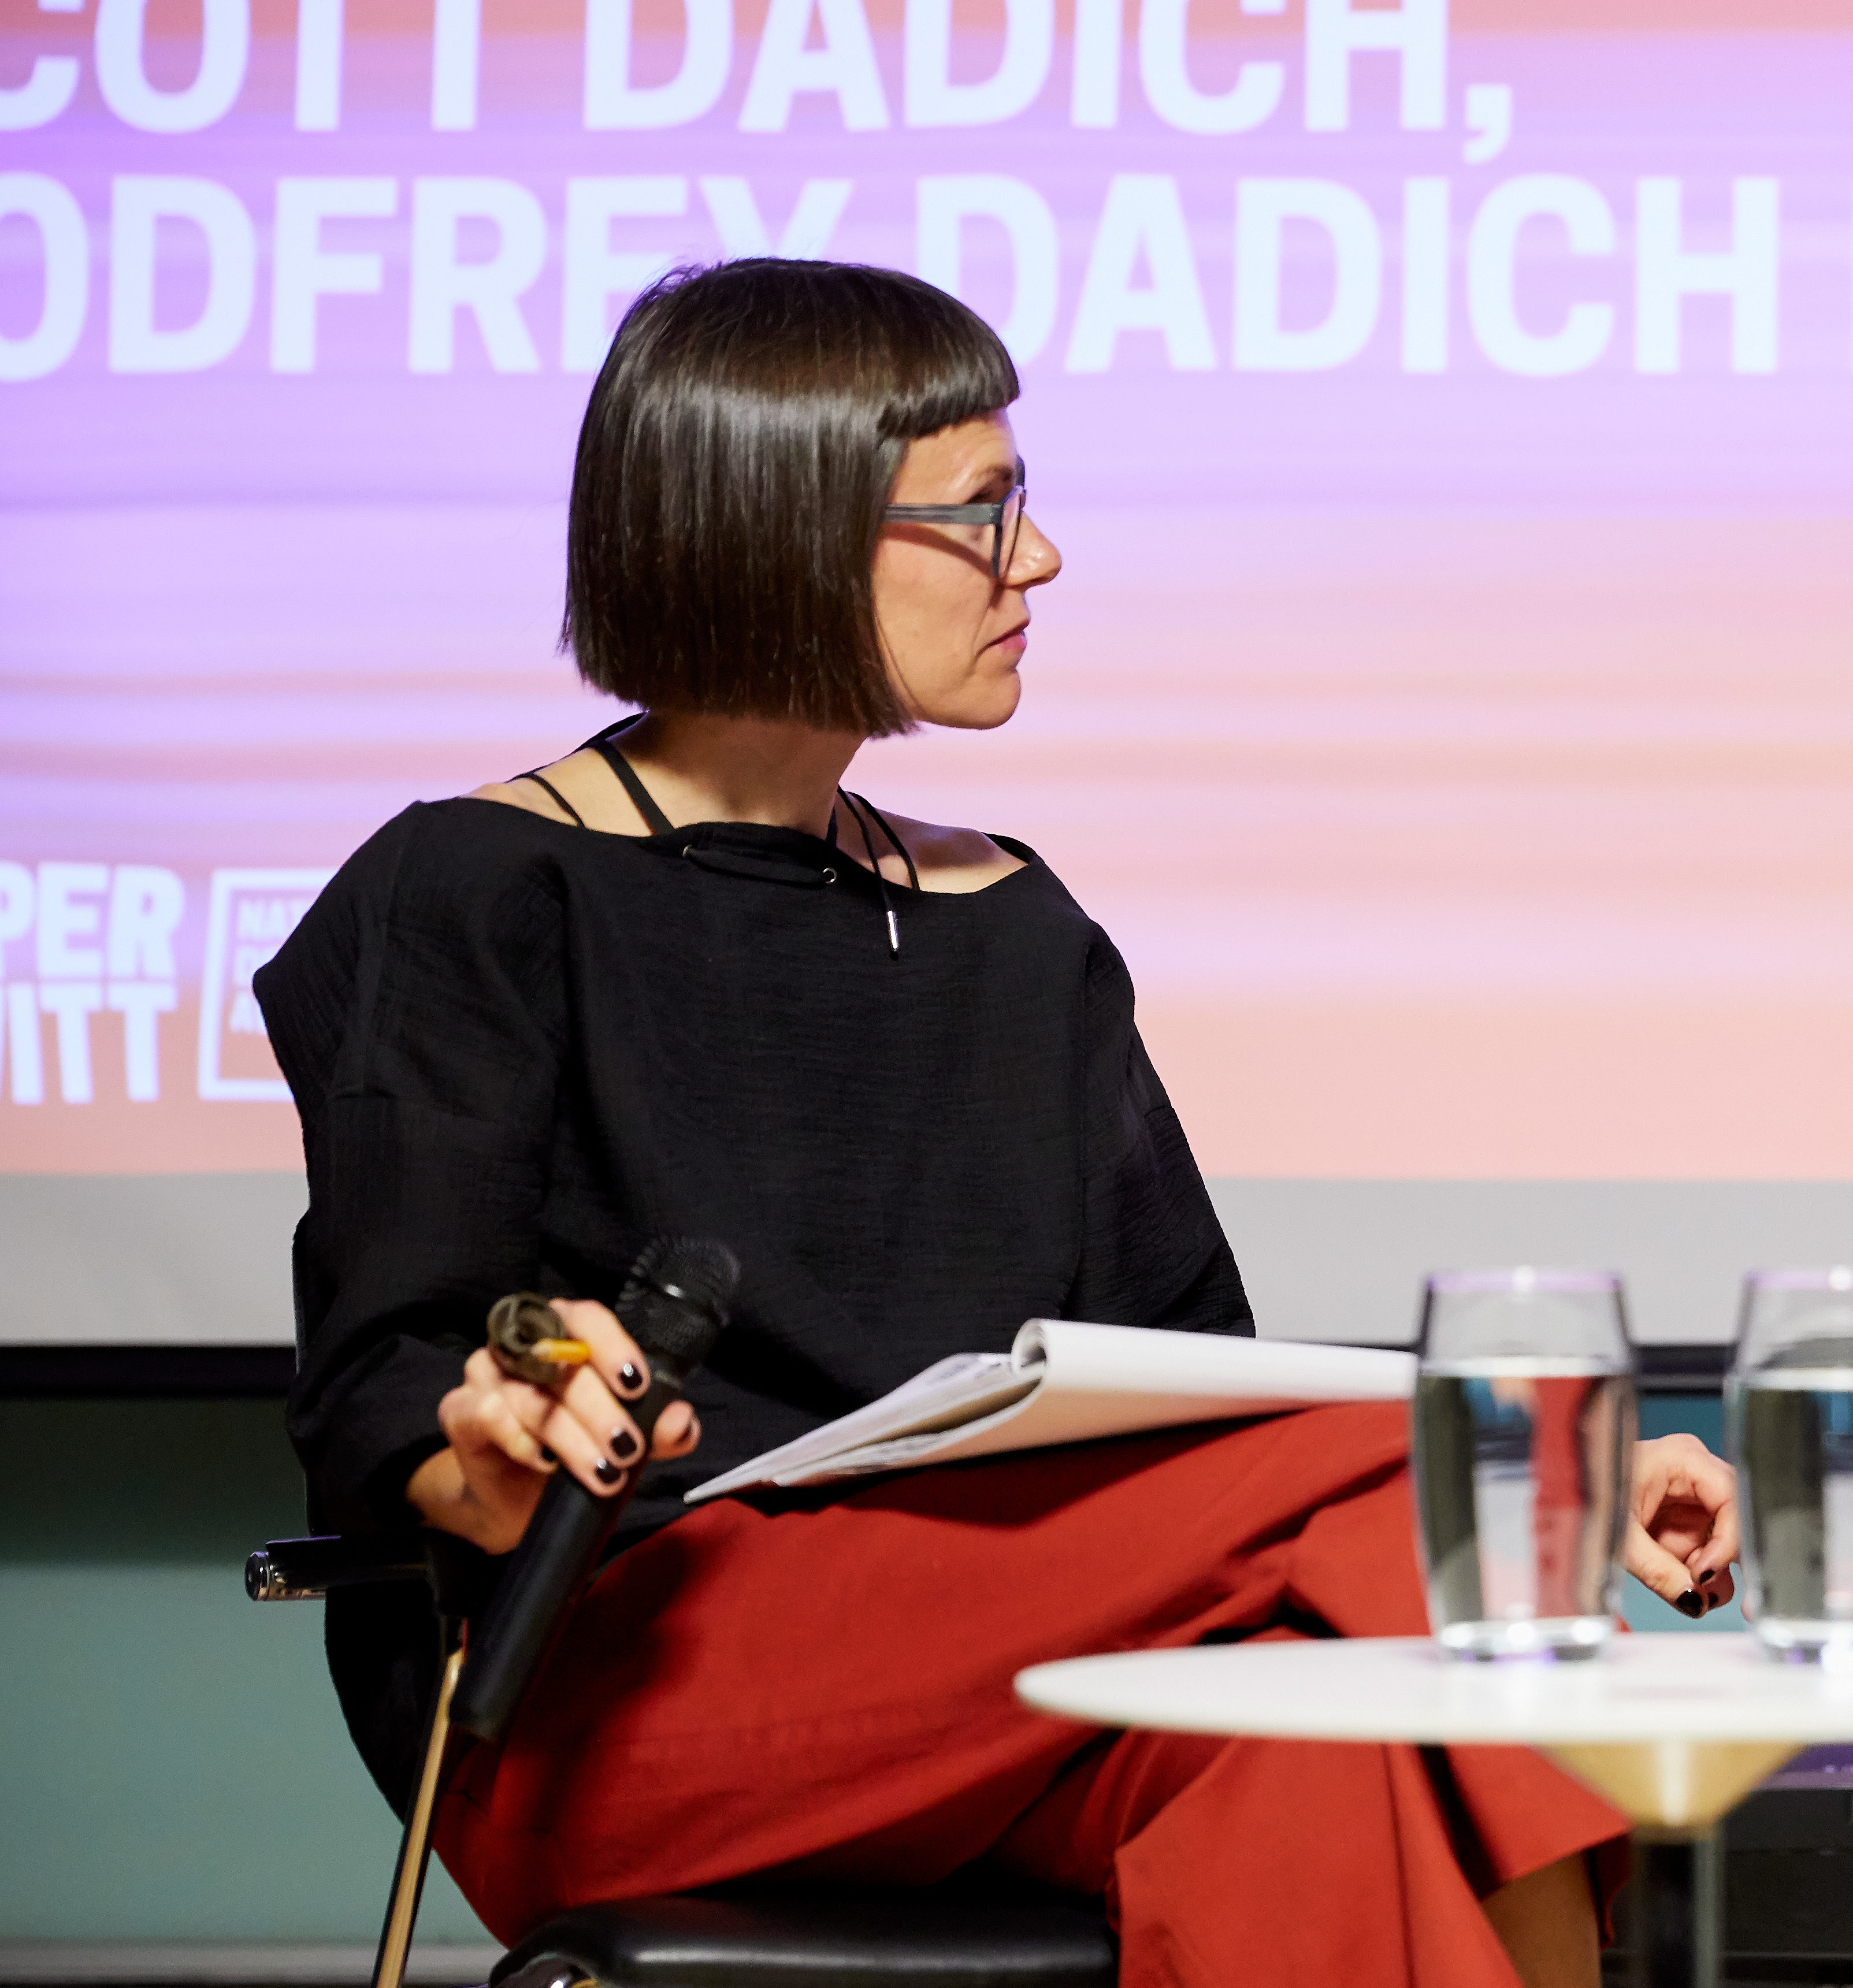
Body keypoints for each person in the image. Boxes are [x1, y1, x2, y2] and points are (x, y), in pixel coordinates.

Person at [258, 258, 1736, 1988]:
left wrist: (1493, 1479)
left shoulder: (1018, 930)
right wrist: (494, 1437)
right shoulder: (478, 887)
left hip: (1011, 1693)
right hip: (616, 1692)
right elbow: (387, 1386)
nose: (1038, 559)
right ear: (791, 529)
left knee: (1318, 1754)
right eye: (986, 509)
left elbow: (1220, 1414)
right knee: (1390, 1536)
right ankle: (1516, 1511)